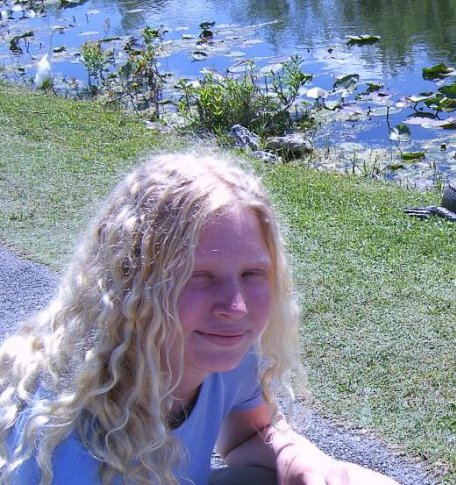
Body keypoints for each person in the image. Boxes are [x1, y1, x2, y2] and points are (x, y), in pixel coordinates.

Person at [0, 152, 399, 485]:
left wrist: (295, 456)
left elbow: (247, 433)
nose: (235, 307)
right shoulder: (67, 452)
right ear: (132, 283)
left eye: (251, 275)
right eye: (198, 276)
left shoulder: (221, 347)